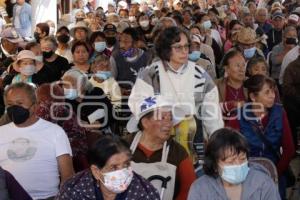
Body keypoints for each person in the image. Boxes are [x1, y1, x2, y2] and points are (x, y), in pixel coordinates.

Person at [129, 27, 223, 173]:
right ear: (166, 49)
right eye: (178, 47)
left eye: (186, 46)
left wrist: (218, 144)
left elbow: (213, 115)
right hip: (158, 142)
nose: (185, 51)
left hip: (194, 143)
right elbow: (137, 104)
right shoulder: (151, 74)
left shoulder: (200, 74)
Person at [0, 82, 74, 199]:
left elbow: (68, 175)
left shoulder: (55, 132)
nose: (14, 108)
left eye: (20, 103)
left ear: (35, 106)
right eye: (10, 104)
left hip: (47, 197)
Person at [227, 75, 295, 198]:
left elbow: (289, 149)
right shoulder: (237, 116)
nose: (272, 95)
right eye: (267, 92)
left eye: (273, 91)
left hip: (274, 172)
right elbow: (231, 151)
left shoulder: (279, 112)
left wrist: (275, 174)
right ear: (253, 96)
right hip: (246, 175)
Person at [126, 95, 196, 200]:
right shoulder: (122, 146)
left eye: (170, 118)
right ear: (145, 122)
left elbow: (190, 189)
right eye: (162, 118)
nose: (168, 124)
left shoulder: (178, 152)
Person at [188, 128, 281, 200]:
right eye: (230, 162)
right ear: (215, 165)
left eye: (242, 159)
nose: (238, 165)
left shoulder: (263, 183)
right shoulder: (200, 188)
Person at [56, 136, 160, 199]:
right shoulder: (74, 189)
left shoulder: (145, 192)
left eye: (126, 164)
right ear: (96, 171)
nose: (123, 173)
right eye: (114, 167)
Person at [61, 69, 114, 134]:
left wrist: (99, 123)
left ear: (82, 85)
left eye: (70, 85)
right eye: (64, 85)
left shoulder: (96, 92)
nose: (65, 88)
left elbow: (111, 114)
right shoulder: (65, 101)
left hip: (102, 134)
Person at [216, 50, 247, 124]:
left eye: (243, 65)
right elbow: (209, 109)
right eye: (237, 66)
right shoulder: (216, 85)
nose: (242, 69)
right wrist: (232, 105)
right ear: (227, 69)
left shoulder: (252, 84)